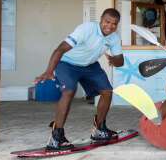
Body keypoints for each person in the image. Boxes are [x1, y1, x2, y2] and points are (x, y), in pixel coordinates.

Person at [34, 8, 124, 150]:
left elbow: (120, 62)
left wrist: (115, 59)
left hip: (89, 66)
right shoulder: (87, 29)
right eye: (107, 22)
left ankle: (99, 129)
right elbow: (60, 49)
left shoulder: (114, 37)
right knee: (69, 91)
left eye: (114, 24)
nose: (110, 26)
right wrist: (49, 71)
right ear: (101, 19)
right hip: (67, 63)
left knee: (107, 91)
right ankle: (56, 136)